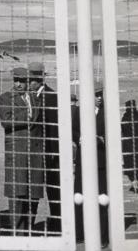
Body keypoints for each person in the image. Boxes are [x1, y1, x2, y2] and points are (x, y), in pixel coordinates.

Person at [0, 66, 40, 235]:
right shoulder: (5, 98)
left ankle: (29, 229)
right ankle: (18, 233)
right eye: (16, 80)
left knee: (33, 194)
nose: (18, 84)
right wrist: (27, 116)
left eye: (22, 81)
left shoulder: (35, 99)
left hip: (35, 154)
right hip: (16, 154)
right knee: (17, 194)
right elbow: (6, 121)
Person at [73, 85, 109, 246]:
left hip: (101, 161)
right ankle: (79, 233)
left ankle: (103, 237)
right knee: (79, 197)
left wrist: (101, 139)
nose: (100, 97)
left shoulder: (108, 113)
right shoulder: (80, 111)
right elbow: (73, 130)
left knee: (102, 198)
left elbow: (114, 133)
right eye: (96, 94)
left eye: (101, 94)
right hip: (82, 161)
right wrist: (80, 138)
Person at [28, 61, 61, 234]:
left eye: (32, 79)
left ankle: (57, 225)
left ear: (40, 79)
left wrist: (53, 153)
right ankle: (29, 224)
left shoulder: (51, 97)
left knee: (53, 192)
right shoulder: (31, 96)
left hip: (49, 154)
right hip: (34, 153)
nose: (29, 83)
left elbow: (54, 128)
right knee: (33, 190)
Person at [122, 99, 138, 192]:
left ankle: (134, 183)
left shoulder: (125, 117)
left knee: (130, 164)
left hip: (128, 145)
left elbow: (123, 129)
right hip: (135, 143)